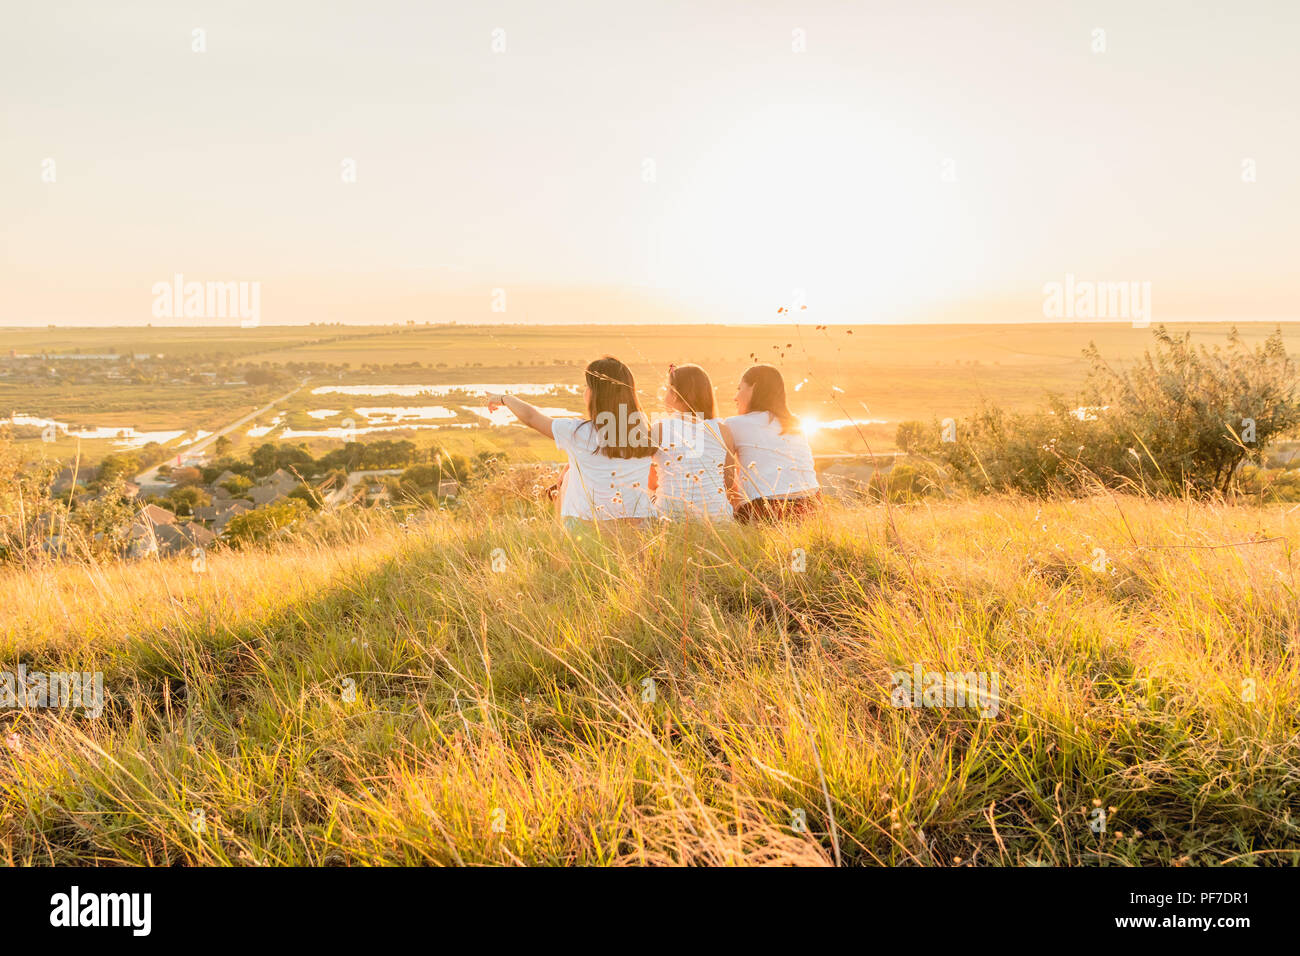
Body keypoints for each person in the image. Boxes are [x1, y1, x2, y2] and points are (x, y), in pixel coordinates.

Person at [486, 356, 655, 530]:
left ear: (597, 394)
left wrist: (504, 398)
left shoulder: (579, 432)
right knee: (570, 469)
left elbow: (531, 417)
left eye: (587, 386)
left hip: (589, 528)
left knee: (567, 477)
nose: (584, 391)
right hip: (640, 528)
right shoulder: (646, 433)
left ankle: (559, 534)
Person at [725, 364, 821, 523]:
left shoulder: (734, 424)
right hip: (811, 505)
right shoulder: (795, 423)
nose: (735, 397)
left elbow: (726, 479)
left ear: (753, 388)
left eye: (739, 388)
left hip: (766, 509)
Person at [649, 363, 736, 522]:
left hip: (670, 518)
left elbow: (646, 479)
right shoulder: (723, 431)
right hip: (718, 518)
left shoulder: (659, 429)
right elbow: (728, 482)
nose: (664, 397)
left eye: (667, 390)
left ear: (675, 394)